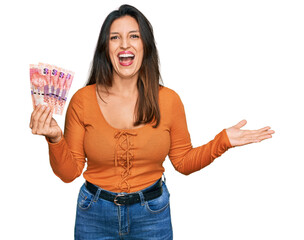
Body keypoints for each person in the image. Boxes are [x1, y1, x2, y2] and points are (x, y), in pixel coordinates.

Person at [29, 4, 274, 240]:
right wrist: (55, 138)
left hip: (152, 216)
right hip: (93, 214)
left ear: (145, 45)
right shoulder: (82, 100)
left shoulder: (168, 100)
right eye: (115, 37)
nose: (124, 43)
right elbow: (69, 173)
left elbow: (183, 162)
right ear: (105, 47)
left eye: (133, 36)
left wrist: (223, 141)